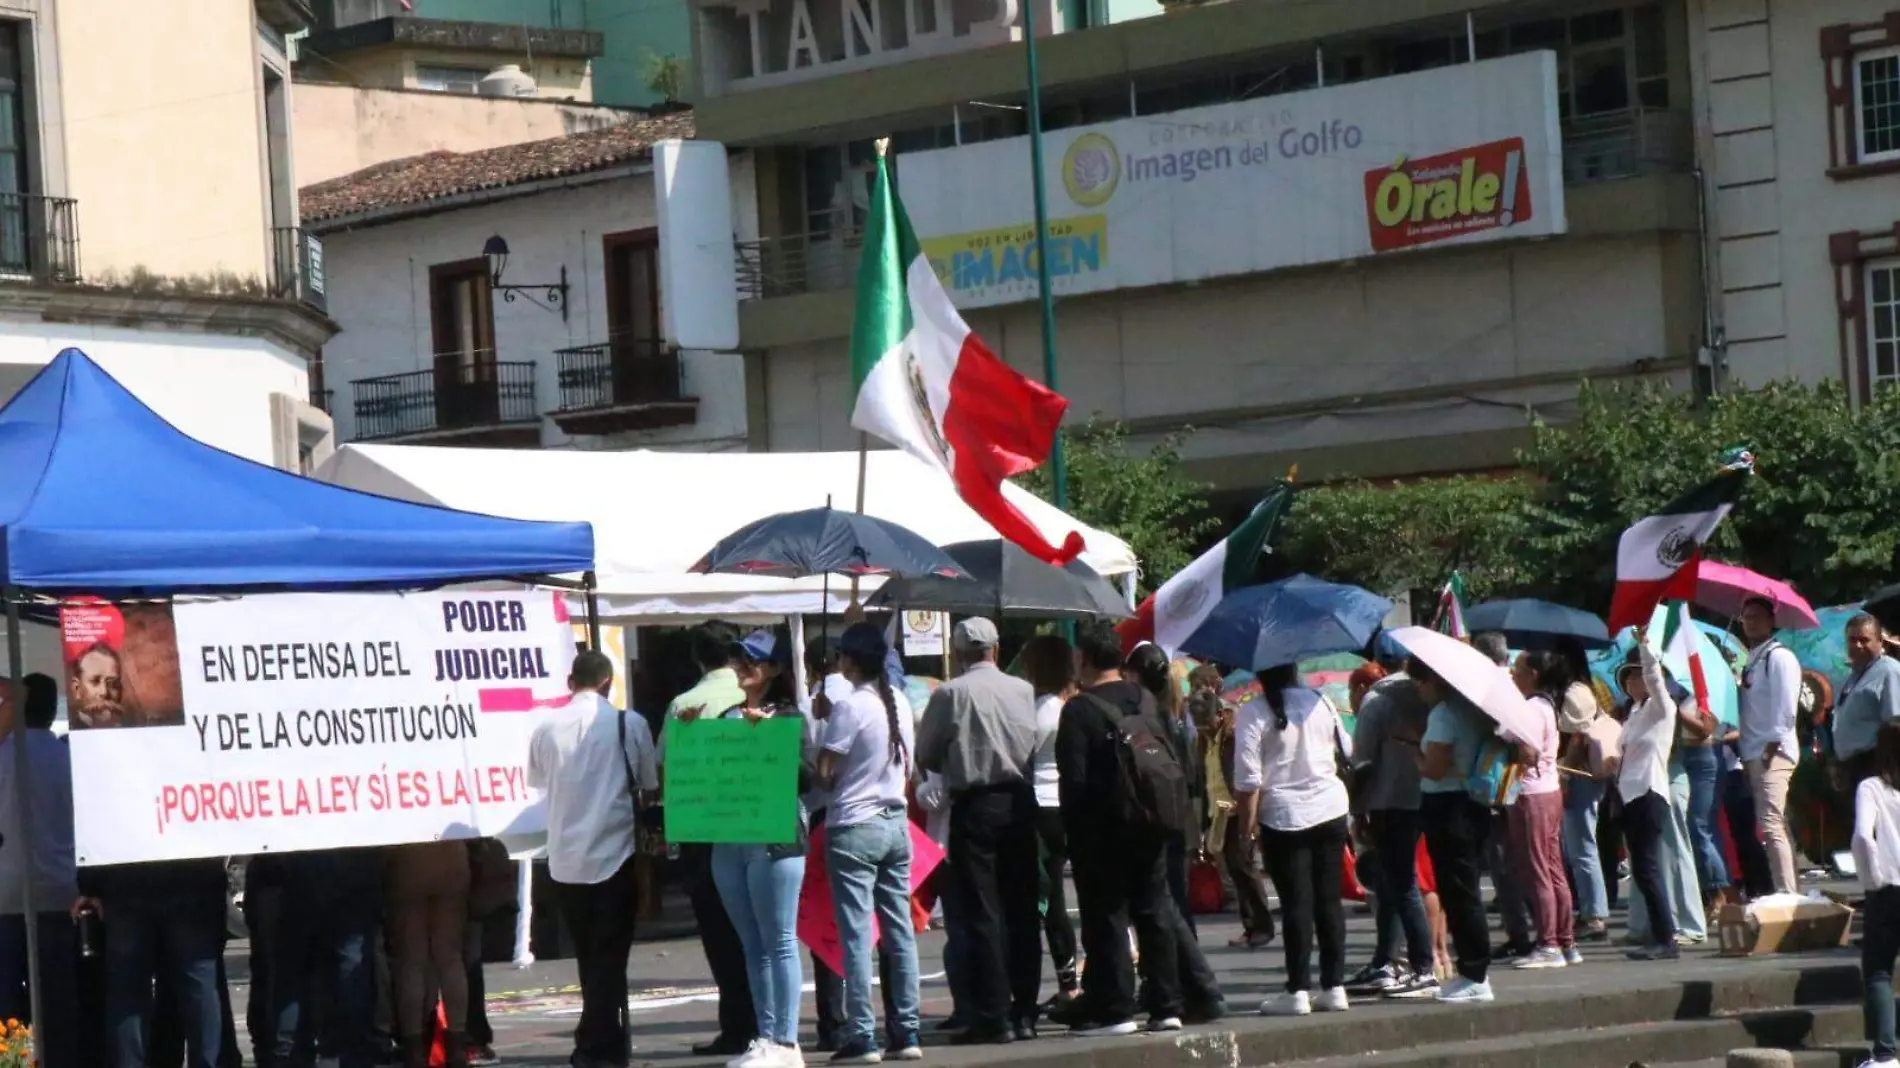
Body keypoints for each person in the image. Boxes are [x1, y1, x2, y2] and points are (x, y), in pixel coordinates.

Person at [1056, 628, 1213, 1036]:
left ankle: (1116, 1007)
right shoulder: (1144, 699)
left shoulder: (1079, 710)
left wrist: (1070, 836)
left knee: (1107, 915)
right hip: (1153, 820)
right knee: (1154, 910)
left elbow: (1073, 781)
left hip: (1103, 828)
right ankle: (1165, 1005)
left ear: (1086, 660)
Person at [915, 618, 1042, 1045]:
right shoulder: (1023, 690)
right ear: (996, 649)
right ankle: (1026, 1011)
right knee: (1023, 910)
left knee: (983, 913)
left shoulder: (950, 694)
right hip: (1021, 801)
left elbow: (927, 752)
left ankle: (995, 1014)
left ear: (959, 652)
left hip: (975, 804)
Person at [530, 649, 658, 1068]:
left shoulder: (546, 726)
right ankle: (597, 1042)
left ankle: (600, 1038)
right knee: (610, 955)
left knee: (588, 955)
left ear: (571, 682)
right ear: (609, 682)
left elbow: (536, 780)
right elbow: (649, 784)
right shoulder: (629, 723)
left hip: (564, 858)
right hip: (614, 853)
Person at [816, 623, 922, 1064]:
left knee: (857, 933)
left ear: (850, 661)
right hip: (895, 821)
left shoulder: (851, 706)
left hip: (854, 826)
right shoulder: (896, 700)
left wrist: (824, 725)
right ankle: (907, 1028)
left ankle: (862, 1033)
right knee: (898, 929)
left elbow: (826, 772)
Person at [711, 630, 815, 1068]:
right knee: (751, 944)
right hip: (730, 837)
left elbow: (808, 777)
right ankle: (766, 1035)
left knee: (779, 940)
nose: (740, 666)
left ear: (773, 669)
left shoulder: (789, 717)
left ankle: (785, 1041)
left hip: (774, 838)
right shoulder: (727, 715)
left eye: (750, 660)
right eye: (736, 659)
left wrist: (768, 738)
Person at [1236, 663, 1353, 1016]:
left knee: (1296, 904)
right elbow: (1346, 748)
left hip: (1284, 815)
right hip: (1330, 806)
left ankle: (1298, 988)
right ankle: (1334, 985)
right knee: (1328, 901)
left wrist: (1246, 830)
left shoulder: (1253, 712)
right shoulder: (1322, 701)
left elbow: (1248, 780)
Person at [666, 623, 759, 1058]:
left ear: (696, 658)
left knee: (719, 934)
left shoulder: (684, 704)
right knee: (758, 930)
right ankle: (764, 1020)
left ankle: (737, 1025)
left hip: (703, 827)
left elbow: (667, 765)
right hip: (754, 821)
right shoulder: (751, 698)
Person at [1124, 645, 1222, 1017]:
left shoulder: (1143, 717)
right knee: (1173, 903)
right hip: (1180, 819)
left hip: (1155, 821)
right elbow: (1192, 777)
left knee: (1162, 906)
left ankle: (1189, 984)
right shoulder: (1177, 721)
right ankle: (1180, 983)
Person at [1345, 659, 1436, 998]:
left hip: (1385, 801)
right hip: (1418, 797)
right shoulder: (1422, 695)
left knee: (1402, 886)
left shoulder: (1377, 701)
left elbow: (1364, 763)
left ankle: (1421, 967)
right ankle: (1385, 962)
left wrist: (1357, 808)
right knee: (1391, 886)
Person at [0, 675, 78, 1068]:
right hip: (61, 891)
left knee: (8, 1003)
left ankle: (14, 1063)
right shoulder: (69, 758)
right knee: (59, 1000)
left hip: (7, 891)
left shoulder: (3, 755)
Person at [1412, 658, 1496, 1004]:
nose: (1420, 690)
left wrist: (1411, 751)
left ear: (1434, 681)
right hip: (1473, 804)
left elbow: (1434, 768)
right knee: (1463, 889)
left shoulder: (1445, 714)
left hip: (1449, 807)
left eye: (1421, 682)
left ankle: (1476, 973)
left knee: (1460, 892)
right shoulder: (1475, 710)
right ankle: (1471, 970)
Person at [1019, 635, 1081, 1004]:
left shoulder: (1039, 711)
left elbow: (1020, 755)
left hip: (1040, 805)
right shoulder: (1067, 707)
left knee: (1048, 898)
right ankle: (1070, 978)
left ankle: (1068, 982)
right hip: (1065, 804)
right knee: (1060, 894)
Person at [1506, 651, 1577, 969]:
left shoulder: (1532, 707)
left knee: (1538, 870)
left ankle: (1548, 943)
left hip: (1532, 793)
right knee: (1552, 867)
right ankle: (1565, 941)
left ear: (1533, 673)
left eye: (1518, 669)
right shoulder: (1546, 704)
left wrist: (1504, 740)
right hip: (1548, 790)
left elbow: (1529, 752)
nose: (1512, 674)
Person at [1196, 665, 1274, 950]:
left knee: (1245, 866)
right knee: (1234, 867)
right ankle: (1251, 925)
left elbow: (1247, 775)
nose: (1204, 728)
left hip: (1239, 808)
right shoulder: (1206, 739)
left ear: (1219, 714)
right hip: (1219, 811)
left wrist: (1247, 813)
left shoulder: (1234, 736)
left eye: (1208, 722)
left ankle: (1260, 925)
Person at [1617, 637, 1680, 961]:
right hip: (1629, 796)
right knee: (1642, 871)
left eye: (1635, 674)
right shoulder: (1635, 714)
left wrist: (1645, 646)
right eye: (1627, 676)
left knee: (1648, 869)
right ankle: (1660, 936)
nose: (1630, 681)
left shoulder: (1661, 707)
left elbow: (1655, 676)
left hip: (1648, 792)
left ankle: (1666, 939)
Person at [384, 839, 471, 1068]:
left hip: (408, 859)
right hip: (452, 855)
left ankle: (414, 1049)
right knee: (450, 957)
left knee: (412, 961)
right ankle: (457, 1046)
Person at [1738, 596, 1802, 896]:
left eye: (1756, 617)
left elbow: (1786, 709)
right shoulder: (1753, 658)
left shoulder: (1780, 657)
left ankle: (1786, 893)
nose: (1750, 623)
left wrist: (1769, 750)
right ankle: (1788, 888)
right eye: (1745, 617)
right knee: (1774, 823)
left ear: (1770, 621)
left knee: (1771, 824)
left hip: (1771, 751)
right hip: (1753, 751)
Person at [1554, 638, 1613, 943]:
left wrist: (1564, 777)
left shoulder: (1576, 692)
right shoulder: (1582, 689)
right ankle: (1590, 910)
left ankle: (1594, 914)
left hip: (1580, 775)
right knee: (1577, 847)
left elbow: (1577, 739)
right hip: (1580, 774)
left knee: (1582, 847)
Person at [1851, 721, 1900, 1068]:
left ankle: (1885, 1054)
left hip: (1889, 888)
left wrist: (1872, 878)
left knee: (1879, 970)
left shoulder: (1872, 788)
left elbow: (1863, 837)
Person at [1834, 613, 1900, 788]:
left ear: (1880, 642)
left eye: (1864, 640)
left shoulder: (1889, 672)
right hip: (1851, 768)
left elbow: (1895, 725)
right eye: (1852, 640)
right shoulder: (1853, 676)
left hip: (1876, 767)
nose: (1857, 645)